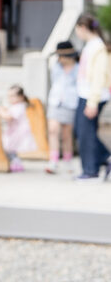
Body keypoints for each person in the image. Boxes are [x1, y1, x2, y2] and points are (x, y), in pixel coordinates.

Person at [73, 13, 111, 180]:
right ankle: (104, 159)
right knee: (84, 131)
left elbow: (99, 76)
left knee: (85, 133)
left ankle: (91, 170)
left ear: (82, 28)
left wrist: (93, 102)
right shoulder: (92, 45)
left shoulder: (97, 47)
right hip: (86, 94)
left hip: (92, 96)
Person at [45, 41, 79, 174]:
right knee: (53, 130)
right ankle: (53, 160)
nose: (59, 59)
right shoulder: (56, 67)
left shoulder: (78, 68)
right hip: (55, 102)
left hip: (70, 103)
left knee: (66, 134)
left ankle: (67, 160)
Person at [0, 85, 36, 172]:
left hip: (17, 132)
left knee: (9, 148)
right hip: (14, 131)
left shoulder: (19, 106)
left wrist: (0, 111)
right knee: (10, 149)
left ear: (21, 97)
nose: (10, 98)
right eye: (9, 96)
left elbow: (9, 117)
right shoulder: (17, 106)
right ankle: (14, 162)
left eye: (12, 96)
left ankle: (17, 163)